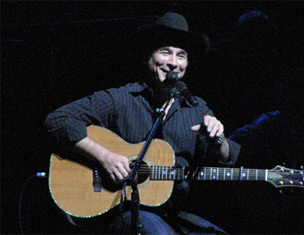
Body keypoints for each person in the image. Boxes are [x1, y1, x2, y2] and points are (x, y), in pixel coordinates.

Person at [45, 12, 241, 234]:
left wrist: (218, 140)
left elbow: (226, 157)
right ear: (148, 56)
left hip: (173, 214)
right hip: (121, 211)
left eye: (181, 55)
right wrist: (105, 157)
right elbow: (58, 120)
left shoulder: (196, 108)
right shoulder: (121, 99)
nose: (173, 63)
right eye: (165, 52)